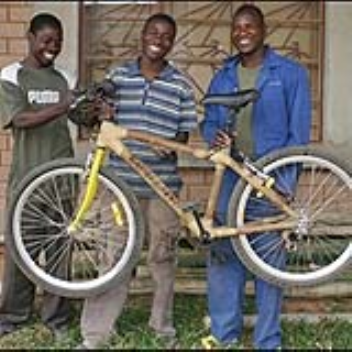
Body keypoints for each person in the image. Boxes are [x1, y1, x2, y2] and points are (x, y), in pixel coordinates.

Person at [76, 13, 198, 349]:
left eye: (167, 35)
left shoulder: (181, 86)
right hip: (119, 187)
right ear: (142, 37)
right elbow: (94, 121)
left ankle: (162, 329)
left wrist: (164, 147)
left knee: (162, 259)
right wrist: (101, 114)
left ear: (172, 42)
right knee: (112, 256)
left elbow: (183, 135)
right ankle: (96, 335)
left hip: (162, 189)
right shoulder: (117, 77)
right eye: (153, 32)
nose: (159, 38)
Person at [200, 4, 311, 350]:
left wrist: (286, 184)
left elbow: (299, 134)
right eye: (236, 28)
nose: (242, 32)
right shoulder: (223, 76)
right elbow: (209, 121)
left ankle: (268, 341)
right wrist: (214, 136)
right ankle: (224, 335)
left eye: (249, 26)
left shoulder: (290, 73)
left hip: (269, 180)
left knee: (269, 266)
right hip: (230, 180)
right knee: (223, 257)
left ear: (264, 31)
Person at [0, 13, 76, 340]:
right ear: (29, 37)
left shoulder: (65, 77)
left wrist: (95, 108)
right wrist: (63, 106)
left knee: (60, 252)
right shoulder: (12, 75)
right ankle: (14, 316)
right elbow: (19, 119)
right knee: (21, 252)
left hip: (61, 180)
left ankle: (57, 318)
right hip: (26, 179)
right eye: (46, 40)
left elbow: (82, 116)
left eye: (57, 41)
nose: (52, 47)